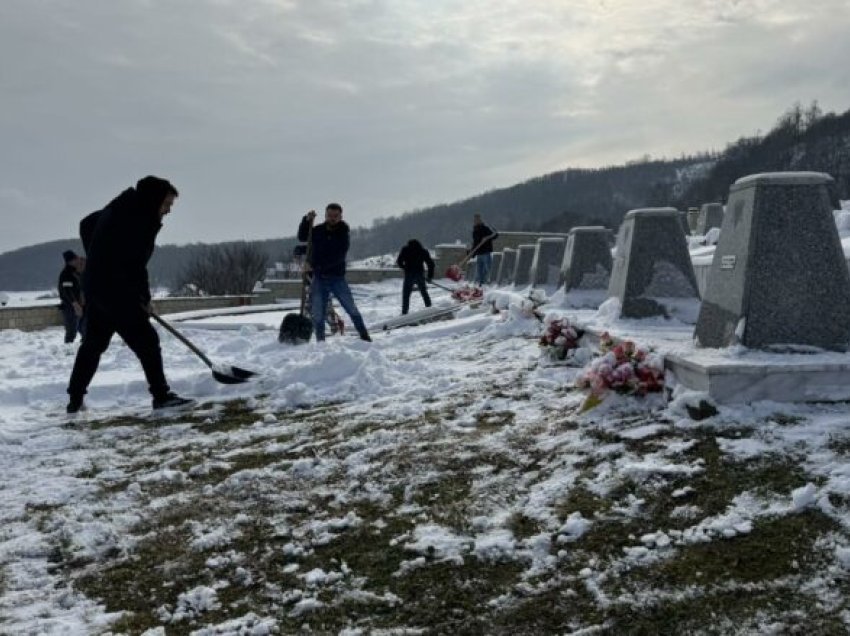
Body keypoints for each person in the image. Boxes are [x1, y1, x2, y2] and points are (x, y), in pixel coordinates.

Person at [65, 176, 193, 414]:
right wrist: (143, 299)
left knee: (93, 344)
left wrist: (96, 259)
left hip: (97, 288)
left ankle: (74, 399)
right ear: (153, 199)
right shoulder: (138, 221)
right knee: (147, 342)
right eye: (167, 204)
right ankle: (161, 396)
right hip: (117, 292)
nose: (168, 210)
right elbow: (135, 266)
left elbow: (87, 223)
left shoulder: (122, 207)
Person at [297, 204, 371, 342]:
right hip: (319, 279)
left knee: (351, 309)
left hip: (337, 279)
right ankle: (321, 343)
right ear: (325, 215)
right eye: (329, 215)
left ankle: (365, 336)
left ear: (340, 217)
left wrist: (312, 265)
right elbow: (302, 236)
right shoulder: (318, 230)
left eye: (335, 216)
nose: (332, 218)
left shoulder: (343, 234)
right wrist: (306, 220)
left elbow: (337, 258)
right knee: (318, 314)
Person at [396, 239, 435, 315]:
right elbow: (431, 264)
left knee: (406, 295)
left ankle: (404, 313)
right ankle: (430, 309)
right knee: (424, 293)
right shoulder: (422, 251)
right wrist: (429, 277)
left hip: (409, 275)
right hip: (419, 274)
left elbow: (399, 261)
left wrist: (405, 267)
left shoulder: (405, 250)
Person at [58, 250, 86, 343]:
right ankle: (67, 351)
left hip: (81, 305)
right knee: (71, 331)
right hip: (70, 306)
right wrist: (75, 304)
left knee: (85, 330)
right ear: (70, 262)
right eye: (75, 259)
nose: (77, 260)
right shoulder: (66, 274)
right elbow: (67, 291)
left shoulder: (77, 272)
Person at [470, 214, 499, 286]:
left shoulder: (485, 228)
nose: (476, 221)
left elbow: (495, 235)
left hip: (486, 252)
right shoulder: (475, 231)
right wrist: (472, 253)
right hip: (479, 254)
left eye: (478, 219)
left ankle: (489, 283)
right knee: (479, 271)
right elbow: (475, 243)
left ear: (480, 220)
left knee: (488, 268)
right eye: (475, 220)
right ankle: (481, 284)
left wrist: (487, 238)